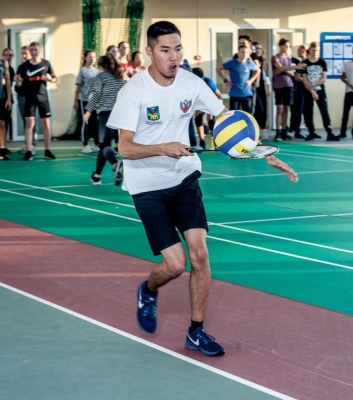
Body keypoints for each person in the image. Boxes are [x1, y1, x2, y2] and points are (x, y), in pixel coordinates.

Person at [107, 20, 298, 357]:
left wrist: (263, 153)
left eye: (178, 49)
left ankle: (196, 331)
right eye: (165, 50)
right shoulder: (133, 91)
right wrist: (163, 147)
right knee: (175, 265)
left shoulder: (192, 83)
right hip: (147, 186)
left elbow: (229, 123)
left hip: (184, 177)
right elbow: (124, 148)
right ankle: (149, 290)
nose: (174, 56)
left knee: (199, 254)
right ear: (150, 52)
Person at [83, 55, 126, 185]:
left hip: (106, 115)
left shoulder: (101, 77)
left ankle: (115, 164)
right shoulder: (121, 78)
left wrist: (88, 112)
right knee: (105, 145)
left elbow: (96, 94)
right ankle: (97, 176)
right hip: (121, 116)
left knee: (104, 145)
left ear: (101, 66)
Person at [15, 41, 58, 161]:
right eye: (31, 50)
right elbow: (19, 84)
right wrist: (18, 81)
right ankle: (29, 151)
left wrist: (50, 79)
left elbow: (55, 78)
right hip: (30, 98)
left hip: (43, 97)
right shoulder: (24, 66)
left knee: (46, 123)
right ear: (29, 51)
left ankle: (47, 151)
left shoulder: (46, 63)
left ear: (39, 50)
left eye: (35, 49)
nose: (33, 52)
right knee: (29, 123)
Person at [299, 42, 339, 141]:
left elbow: (323, 79)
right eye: (313, 50)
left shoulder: (322, 62)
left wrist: (314, 84)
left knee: (324, 110)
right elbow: (304, 80)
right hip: (308, 91)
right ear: (309, 50)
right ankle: (311, 132)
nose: (315, 52)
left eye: (317, 51)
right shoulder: (305, 63)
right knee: (308, 112)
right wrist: (312, 91)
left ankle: (329, 132)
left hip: (320, 90)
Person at [271, 39, 300, 141]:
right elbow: (277, 70)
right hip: (279, 86)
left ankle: (284, 131)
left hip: (289, 85)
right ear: (280, 46)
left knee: (286, 109)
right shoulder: (275, 57)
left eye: (288, 46)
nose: (287, 48)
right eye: (286, 46)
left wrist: (284, 69)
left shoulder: (288, 58)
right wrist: (285, 69)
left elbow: (291, 73)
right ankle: (278, 132)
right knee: (279, 109)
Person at [217, 45, 260, 113]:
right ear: (238, 53)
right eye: (242, 52)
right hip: (235, 94)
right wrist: (225, 80)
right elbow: (218, 68)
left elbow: (258, 70)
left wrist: (251, 81)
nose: (244, 54)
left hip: (247, 94)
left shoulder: (249, 63)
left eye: (246, 52)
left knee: (247, 115)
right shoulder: (232, 63)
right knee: (234, 115)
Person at [15, 46, 41, 155]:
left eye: (26, 53)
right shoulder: (21, 67)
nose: (24, 55)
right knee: (25, 121)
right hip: (21, 96)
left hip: (32, 97)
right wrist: (18, 82)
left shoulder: (36, 66)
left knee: (31, 121)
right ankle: (27, 144)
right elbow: (18, 85)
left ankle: (32, 145)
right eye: (22, 53)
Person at [0, 47, 16, 151]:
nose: (8, 57)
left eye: (10, 55)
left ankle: (3, 146)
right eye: (6, 55)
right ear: (3, 56)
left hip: (8, 98)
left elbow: (11, 84)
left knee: (6, 122)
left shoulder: (11, 70)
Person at [74, 50, 99, 153]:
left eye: (94, 57)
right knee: (85, 122)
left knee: (96, 123)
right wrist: (75, 100)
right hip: (83, 100)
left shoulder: (97, 71)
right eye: (90, 57)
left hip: (94, 101)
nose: (92, 59)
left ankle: (97, 144)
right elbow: (78, 86)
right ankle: (85, 145)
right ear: (85, 58)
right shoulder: (82, 71)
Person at [192, 67, 222, 148]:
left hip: (211, 102)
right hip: (200, 102)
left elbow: (219, 96)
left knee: (211, 121)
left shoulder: (209, 83)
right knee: (198, 119)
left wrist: (212, 111)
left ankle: (216, 142)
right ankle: (202, 142)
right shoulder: (192, 83)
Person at [252, 41, 271, 140]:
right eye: (256, 48)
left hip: (262, 87)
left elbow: (265, 74)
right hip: (254, 86)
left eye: (259, 48)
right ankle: (255, 131)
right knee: (256, 109)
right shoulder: (251, 59)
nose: (257, 50)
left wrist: (268, 86)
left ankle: (262, 130)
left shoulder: (263, 60)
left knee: (263, 109)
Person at [290, 44, 307, 139]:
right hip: (296, 88)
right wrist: (307, 81)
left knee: (302, 110)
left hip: (305, 89)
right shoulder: (297, 62)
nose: (300, 52)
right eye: (299, 51)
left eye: (302, 51)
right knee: (295, 110)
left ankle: (303, 129)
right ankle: (293, 129)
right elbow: (297, 77)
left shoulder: (307, 62)